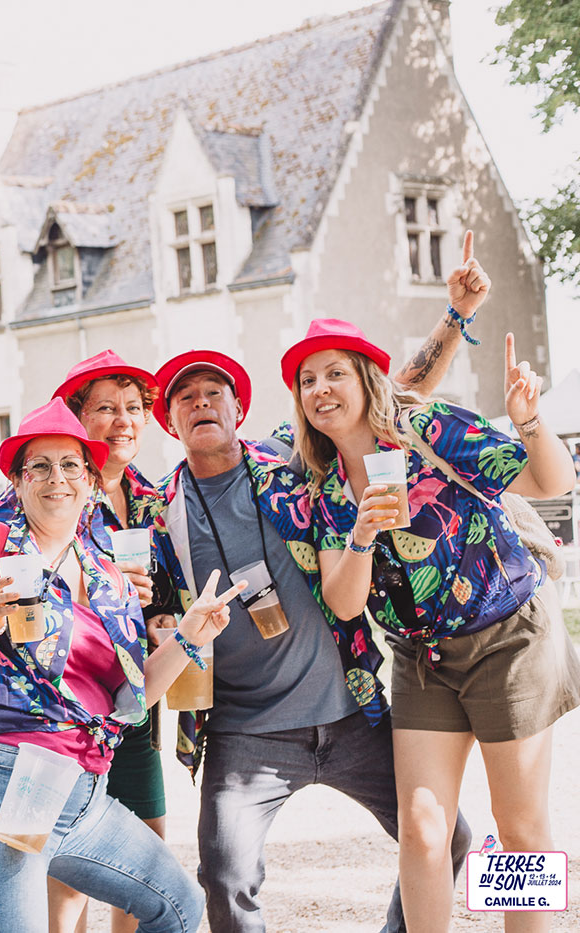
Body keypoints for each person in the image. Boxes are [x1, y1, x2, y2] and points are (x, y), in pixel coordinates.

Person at [149, 348, 470, 933]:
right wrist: (158, 620)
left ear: (238, 407)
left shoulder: (293, 462)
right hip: (246, 732)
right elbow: (154, 604)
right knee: (224, 875)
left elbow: (383, 394)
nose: (200, 403)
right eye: (185, 397)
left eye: (213, 392)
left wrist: (454, 322)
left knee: (448, 833)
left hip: (348, 714)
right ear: (169, 422)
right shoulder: (159, 515)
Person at [0, 399, 244, 933]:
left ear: (90, 479)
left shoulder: (107, 572)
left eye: (70, 465)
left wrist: (187, 636)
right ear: (17, 481)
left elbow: (131, 700)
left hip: (78, 787)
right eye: (39, 466)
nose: (56, 478)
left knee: (177, 905)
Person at [289, 320, 580, 933]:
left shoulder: (426, 430)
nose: (321, 389)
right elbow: (345, 603)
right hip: (423, 658)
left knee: (519, 825)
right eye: (307, 380)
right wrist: (362, 533)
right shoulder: (326, 490)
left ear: (367, 380)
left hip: (510, 637)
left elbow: (554, 481)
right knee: (423, 826)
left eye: (335, 373)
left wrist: (527, 420)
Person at [47, 351, 178, 933]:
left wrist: (159, 621)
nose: (122, 420)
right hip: (69, 705)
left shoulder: (151, 499)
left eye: (132, 408)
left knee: (144, 848)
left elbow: (162, 596)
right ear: (78, 418)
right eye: (105, 409)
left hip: (133, 700)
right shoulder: (58, 486)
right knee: (72, 859)